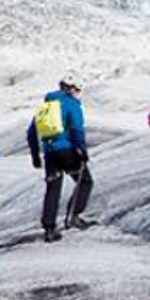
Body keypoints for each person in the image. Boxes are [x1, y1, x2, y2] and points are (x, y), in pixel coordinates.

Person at [26, 74, 93, 242]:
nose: (78, 93)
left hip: (50, 154)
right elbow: (77, 129)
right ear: (71, 89)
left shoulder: (46, 106)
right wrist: (82, 150)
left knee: (53, 188)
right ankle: (73, 216)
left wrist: (35, 156)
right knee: (85, 181)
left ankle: (49, 229)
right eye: (77, 89)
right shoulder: (71, 104)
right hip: (67, 151)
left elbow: (31, 132)